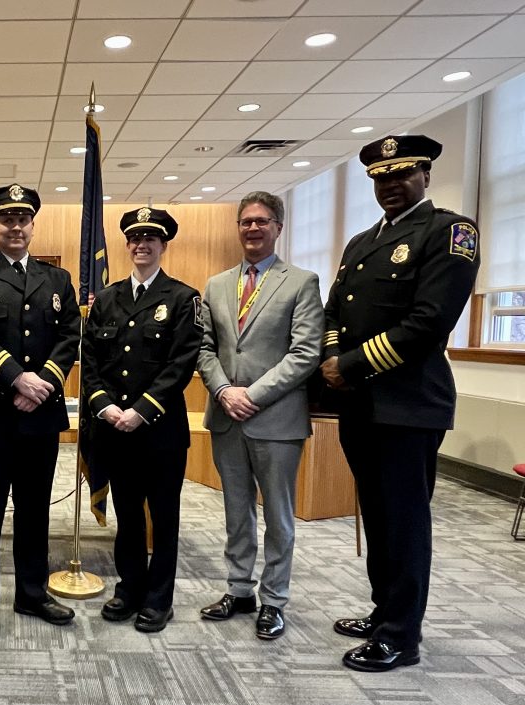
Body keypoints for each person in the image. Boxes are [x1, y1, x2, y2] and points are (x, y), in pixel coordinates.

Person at [321, 135, 480, 672]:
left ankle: (401, 635)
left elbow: (430, 321)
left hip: (408, 404)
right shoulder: (362, 242)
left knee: (405, 520)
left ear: (425, 176)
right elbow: (334, 313)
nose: (390, 185)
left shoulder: (449, 232)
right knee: (377, 513)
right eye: (381, 178)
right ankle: (382, 610)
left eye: (401, 175)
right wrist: (332, 360)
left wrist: (350, 365)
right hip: (360, 405)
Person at [0, 183, 81, 640]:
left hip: (39, 416)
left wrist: (41, 381)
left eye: (23, 219)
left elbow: (69, 336)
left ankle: (32, 593)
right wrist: (14, 378)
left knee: (34, 510)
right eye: (7, 219)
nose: (16, 226)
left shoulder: (58, 280)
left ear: (31, 224)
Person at [196, 192, 324, 640]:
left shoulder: (302, 282)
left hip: (276, 418)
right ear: (238, 227)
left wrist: (252, 393)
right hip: (227, 415)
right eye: (246, 222)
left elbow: (306, 352)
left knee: (279, 515)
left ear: (278, 227)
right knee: (236, 510)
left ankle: (274, 599)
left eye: (262, 221)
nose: (253, 229)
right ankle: (239, 589)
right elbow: (204, 348)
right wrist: (225, 390)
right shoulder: (216, 284)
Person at [81, 207, 202, 633]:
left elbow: (181, 364)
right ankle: (129, 588)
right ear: (127, 244)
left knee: (164, 518)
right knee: (128, 515)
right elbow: (91, 360)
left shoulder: (183, 299)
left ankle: (158, 599)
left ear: (163, 245)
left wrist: (142, 410)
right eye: (135, 237)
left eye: (151, 238)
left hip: (160, 433)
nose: (142, 244)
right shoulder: (107, 299)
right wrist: (104, 404)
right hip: (115, 429)